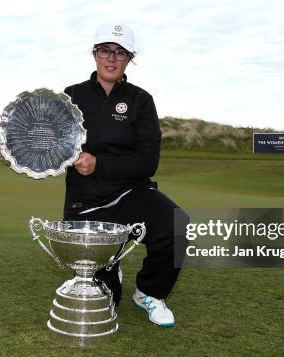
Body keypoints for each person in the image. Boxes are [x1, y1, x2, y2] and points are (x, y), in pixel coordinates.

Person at [63, 23, 189, 328]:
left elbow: (148, 162)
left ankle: (149, 292)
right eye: (105, 50)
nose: (112, 58)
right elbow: (50, 144)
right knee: (107, 299)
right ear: (94, 53)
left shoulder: (141, 100)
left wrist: (100, 164)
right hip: (87, 203)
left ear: (129, 58)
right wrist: (19, 154)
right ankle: (111, 270)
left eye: (120, 52)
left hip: (131, 194)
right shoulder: (71, 96)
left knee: (176, 225)